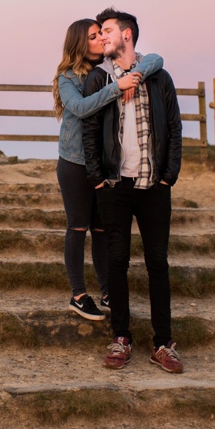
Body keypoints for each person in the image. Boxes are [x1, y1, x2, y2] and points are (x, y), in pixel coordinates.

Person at [81, 7, 184, 372]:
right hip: (114, 184)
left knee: (158, 263)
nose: (102, 37)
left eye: (107, 30)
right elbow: (89, 132)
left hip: (154, 184)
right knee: (117, 261)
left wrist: (170, 175)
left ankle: (163, 344)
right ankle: (121, 337)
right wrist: (97, 176)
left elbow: (173, 126)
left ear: (127, 34)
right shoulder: (99, 79)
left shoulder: (158, 77)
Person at [53, 20, 162, 320]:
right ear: (80, 42)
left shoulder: (109, 70)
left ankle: (107, 292)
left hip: (102, 165)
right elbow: (81, 108)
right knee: (78, 227)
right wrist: (118, 88)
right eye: (93, 36)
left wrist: (134, 76)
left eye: (102, 33)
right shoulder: (68, 77)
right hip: (74, 163)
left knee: (101, 229)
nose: (101, 39)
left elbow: (156, 59)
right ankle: (78, 295)